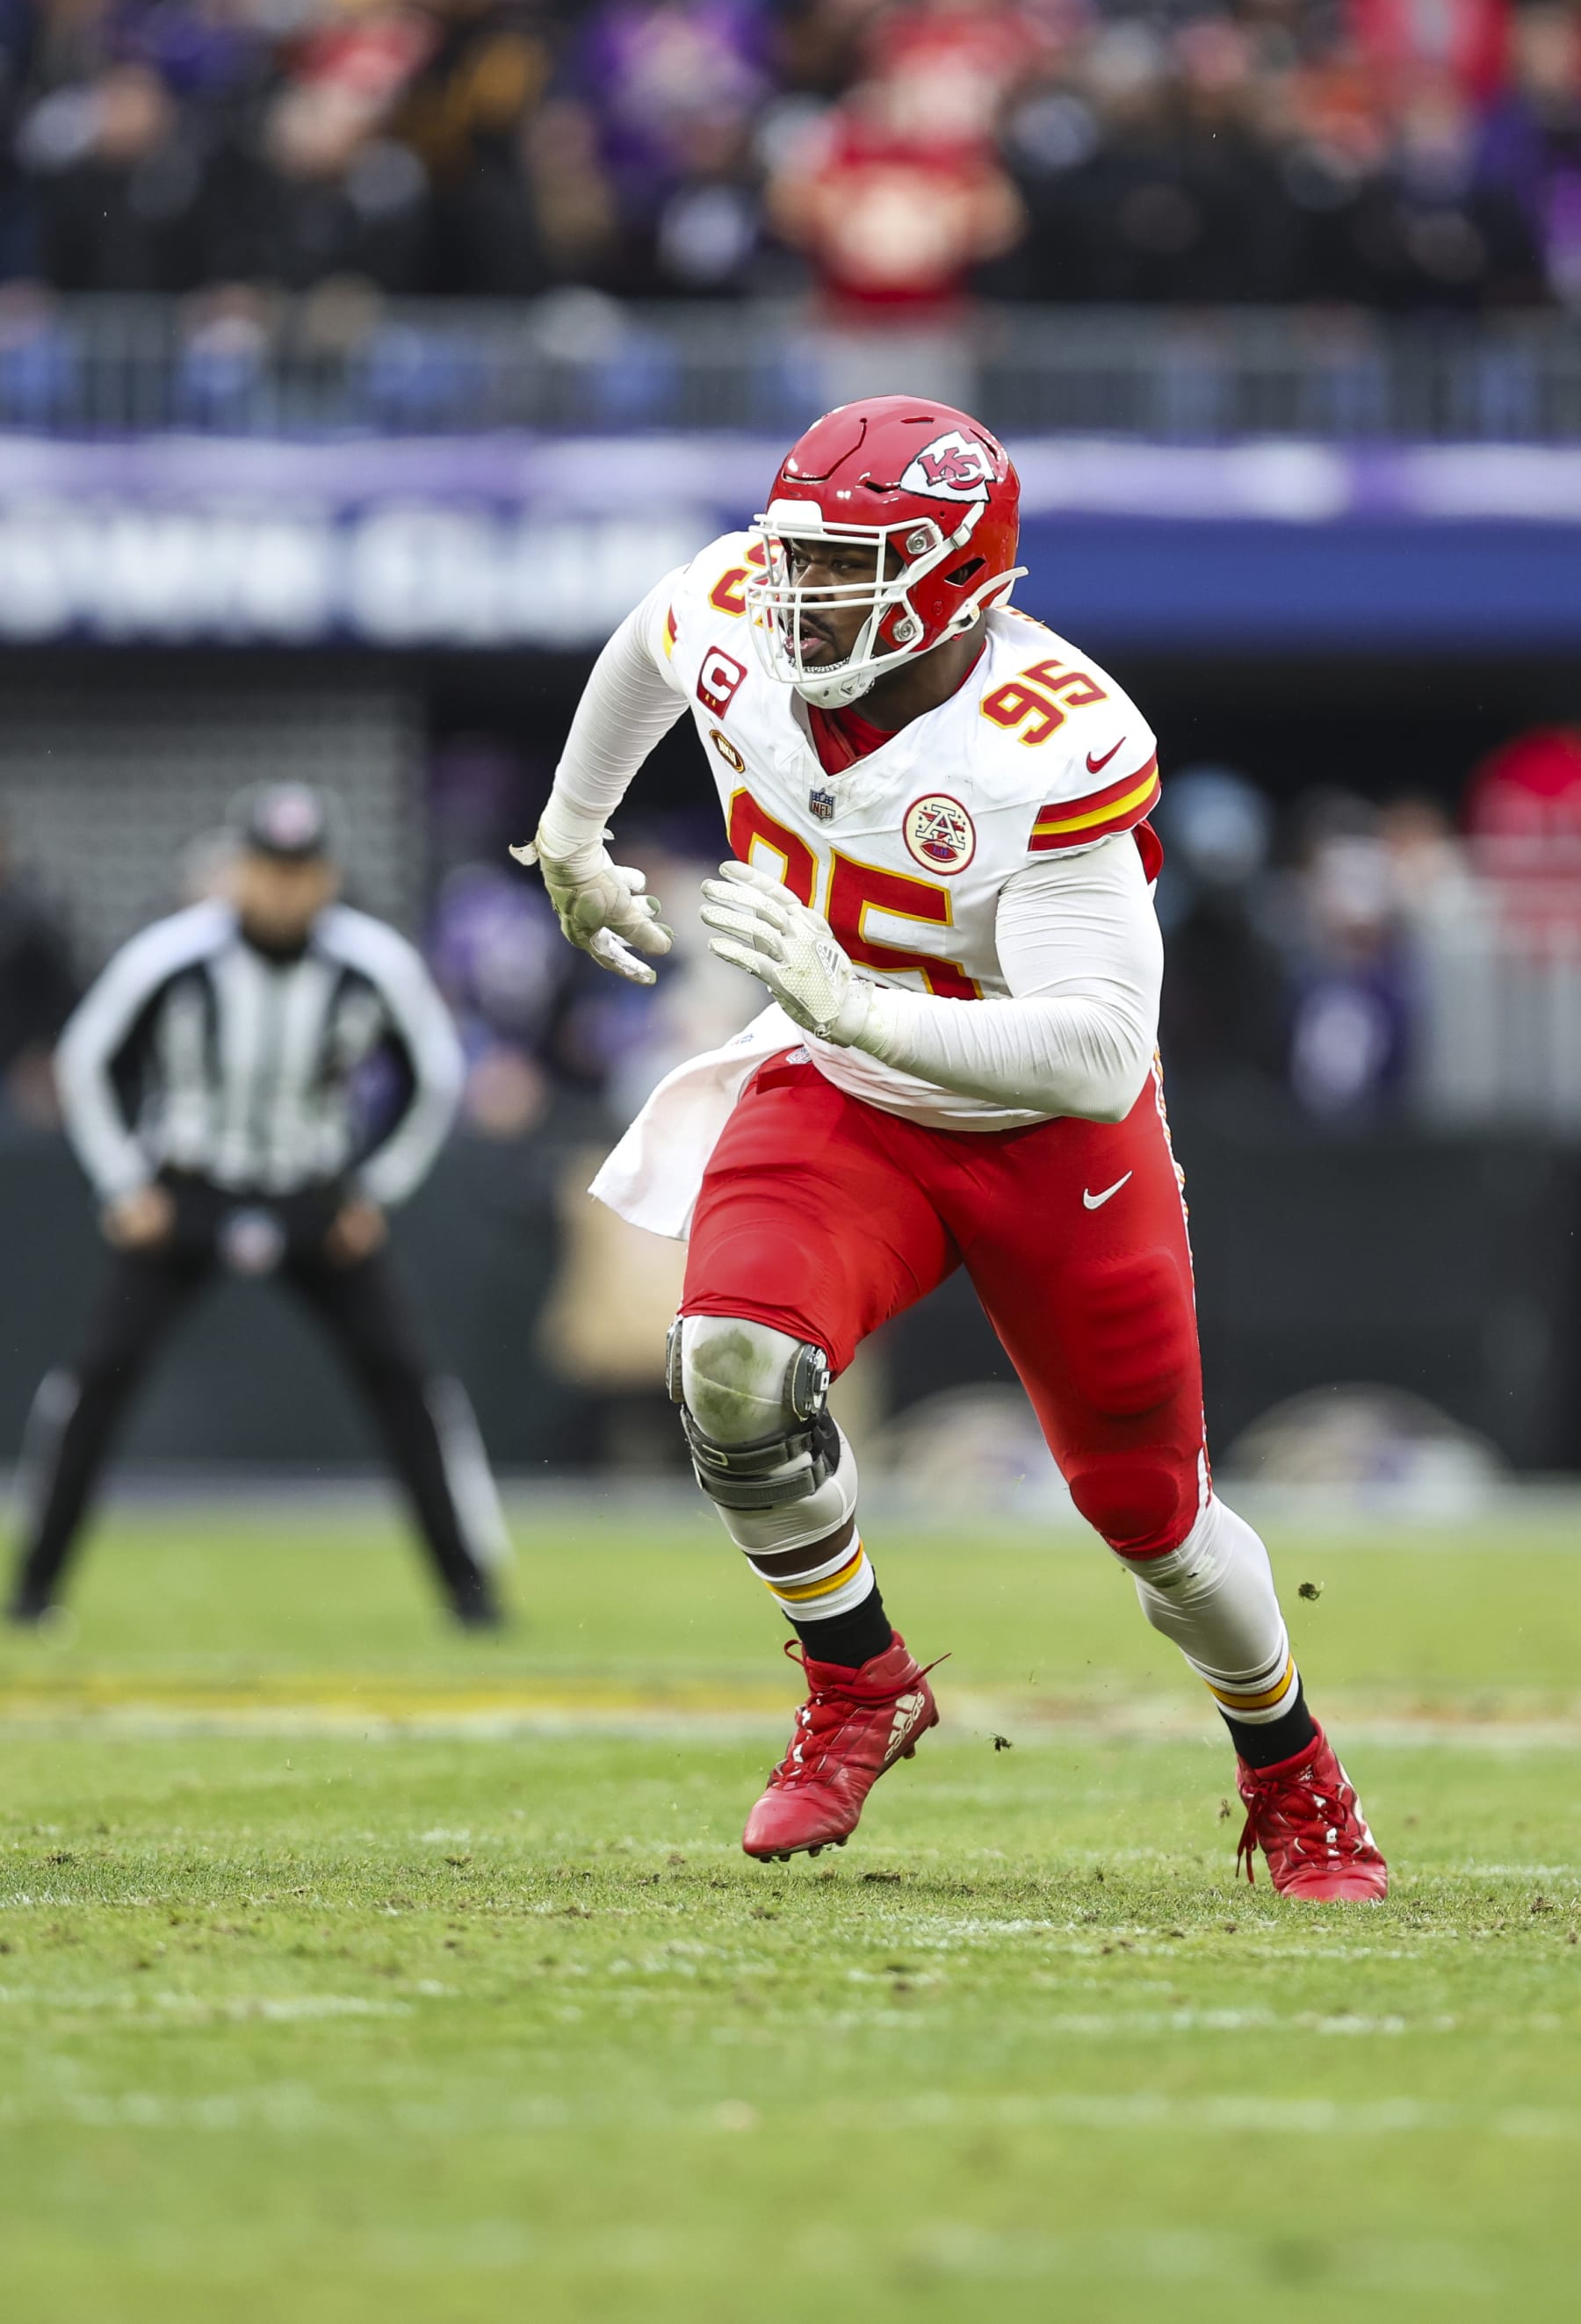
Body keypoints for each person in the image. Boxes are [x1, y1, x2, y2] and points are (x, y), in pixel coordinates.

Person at [516, 396, 1386, 1902]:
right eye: (797, 555)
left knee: (1156, 1519)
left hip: (1047, 1137)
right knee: (730, 1365)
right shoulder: (741, 608)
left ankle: (1294, 1769)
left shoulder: (1047, 738)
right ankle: (858, 1678)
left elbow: (1097, 1048)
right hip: (846, 1092)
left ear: (959, 577)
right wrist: (573, 831)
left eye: (846, 566)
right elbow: (653, 641)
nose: (799, 594)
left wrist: (856, 998)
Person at [8, 783, 507, 1629]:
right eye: (269, 867)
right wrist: (125, 1185)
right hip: (187, 1191)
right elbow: (85, 1059)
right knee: (95, 1380)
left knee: (407, 1381)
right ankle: (33, 1587)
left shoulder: (372, 961)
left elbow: (434, 1076)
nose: (282, 887)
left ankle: (472, 1590)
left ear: (326, 876)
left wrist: (374, 1189)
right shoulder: (170, 956)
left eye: (299, 869)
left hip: (317, 1195)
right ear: (237, 870)